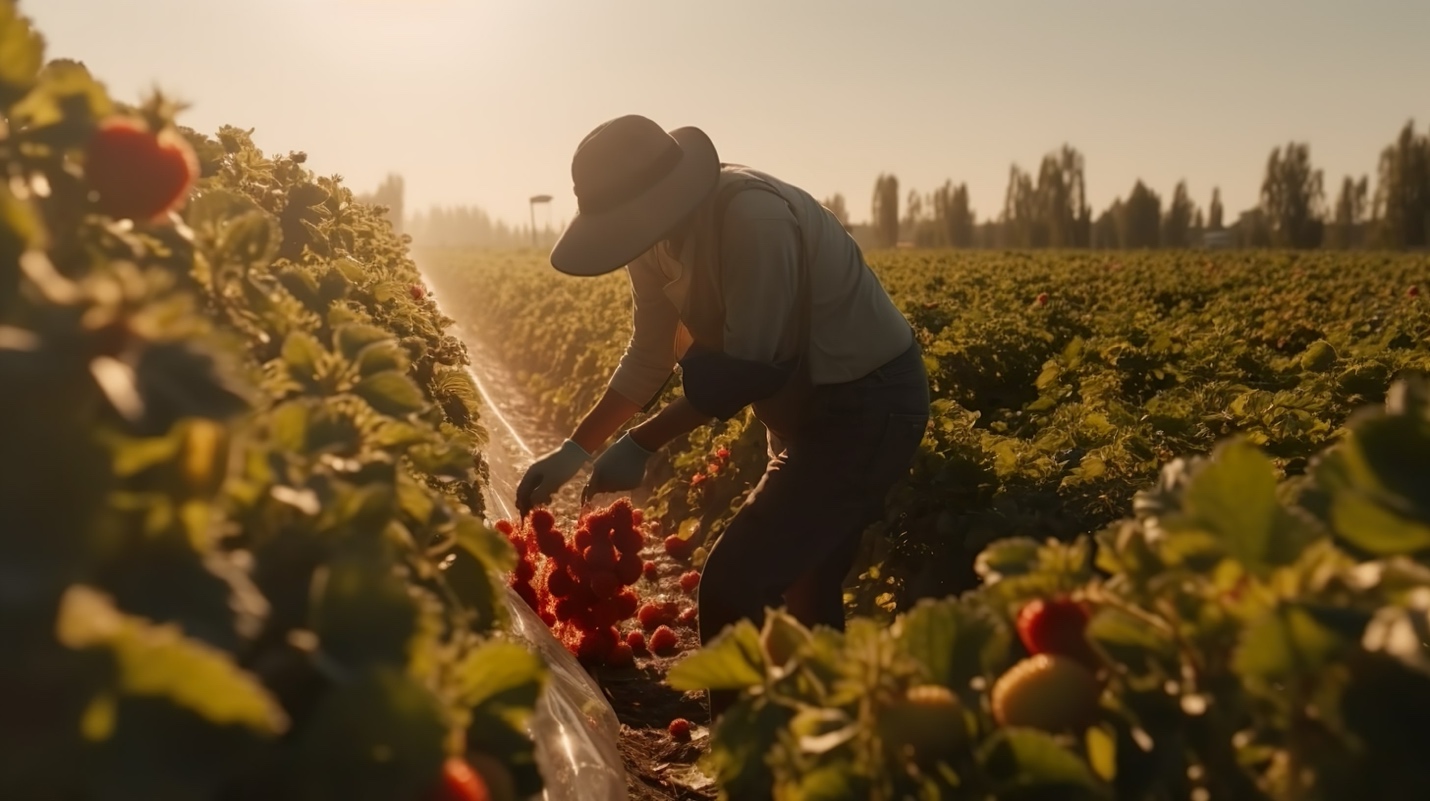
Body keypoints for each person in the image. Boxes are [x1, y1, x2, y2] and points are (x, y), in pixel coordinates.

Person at [515, 114, 929, 695]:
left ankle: (748, 764)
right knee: (806, 575)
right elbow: (650, 353)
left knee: (736, 583)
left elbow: (752, 366)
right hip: (798, 405)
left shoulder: (752, 219)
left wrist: (641, 442)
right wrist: (575, 449)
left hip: (867, 400)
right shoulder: (651, 236)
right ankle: (822, 737)